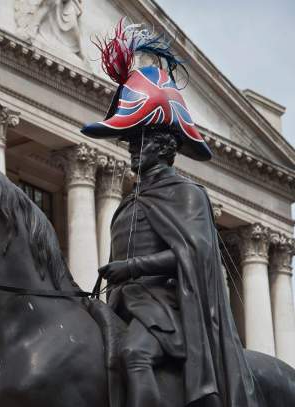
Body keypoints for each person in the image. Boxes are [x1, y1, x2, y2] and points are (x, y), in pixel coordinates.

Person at [81, 20, 258, 407]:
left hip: (169, 309)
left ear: (163, 146)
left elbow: (195, 256)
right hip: (125, 304)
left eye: (138, 142)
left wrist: (131, 268)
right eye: (129, 142)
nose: (130, 150)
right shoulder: (130, 202)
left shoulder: (186, 194)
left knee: (136, 355)